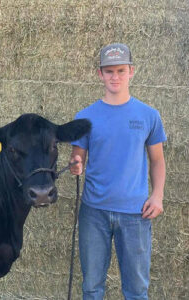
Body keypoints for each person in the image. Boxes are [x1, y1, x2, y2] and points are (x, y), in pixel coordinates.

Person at [69, 43, 166, 300]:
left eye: (121, 70)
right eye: (109, 71)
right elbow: (77, 156)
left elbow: (157, 160)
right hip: (94, 213)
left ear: (131, 71)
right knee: (91, 287)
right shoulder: (85, 117)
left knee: (136, 290)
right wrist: (76, 163)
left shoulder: (148, 116)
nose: (115, 77)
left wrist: (157, 196)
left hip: (136, 214)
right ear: (99, 74)